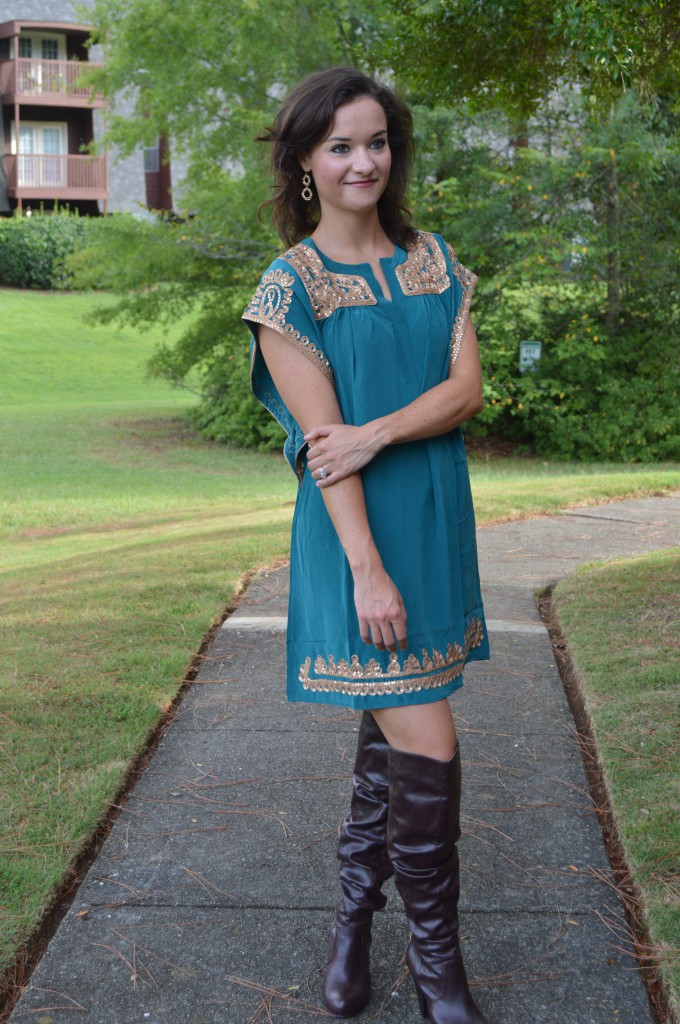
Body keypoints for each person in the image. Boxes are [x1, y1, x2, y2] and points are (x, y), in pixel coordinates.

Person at [243, 67, 490, 1024]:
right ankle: (439, 973)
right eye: (341, 145)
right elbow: (323, 454)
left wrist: (379, 428)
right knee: (426, 733)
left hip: (433, 525)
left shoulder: (435, 258)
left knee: (392, 732)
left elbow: (464, 393)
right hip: (362, 546)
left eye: (377, 141)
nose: (363, 161)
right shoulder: (288, 289)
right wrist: (368, 571)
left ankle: (352, 924)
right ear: (305, 161)